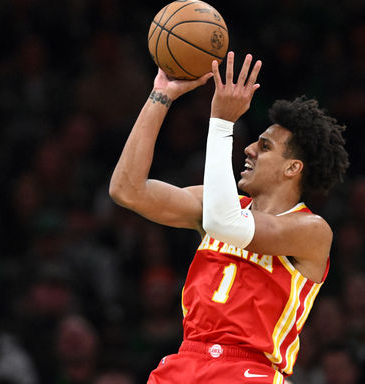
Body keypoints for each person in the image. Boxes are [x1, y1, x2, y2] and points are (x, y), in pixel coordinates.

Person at [109, 51, 349, 384]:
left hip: (250, 371)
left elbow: (226, 224)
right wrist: (160, 96)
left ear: (293, 168)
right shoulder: (218, 204)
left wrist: (222, 122)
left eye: (264, 147)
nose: (249, 149)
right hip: (184, 362)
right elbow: (127, 190)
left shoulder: (311, 230)